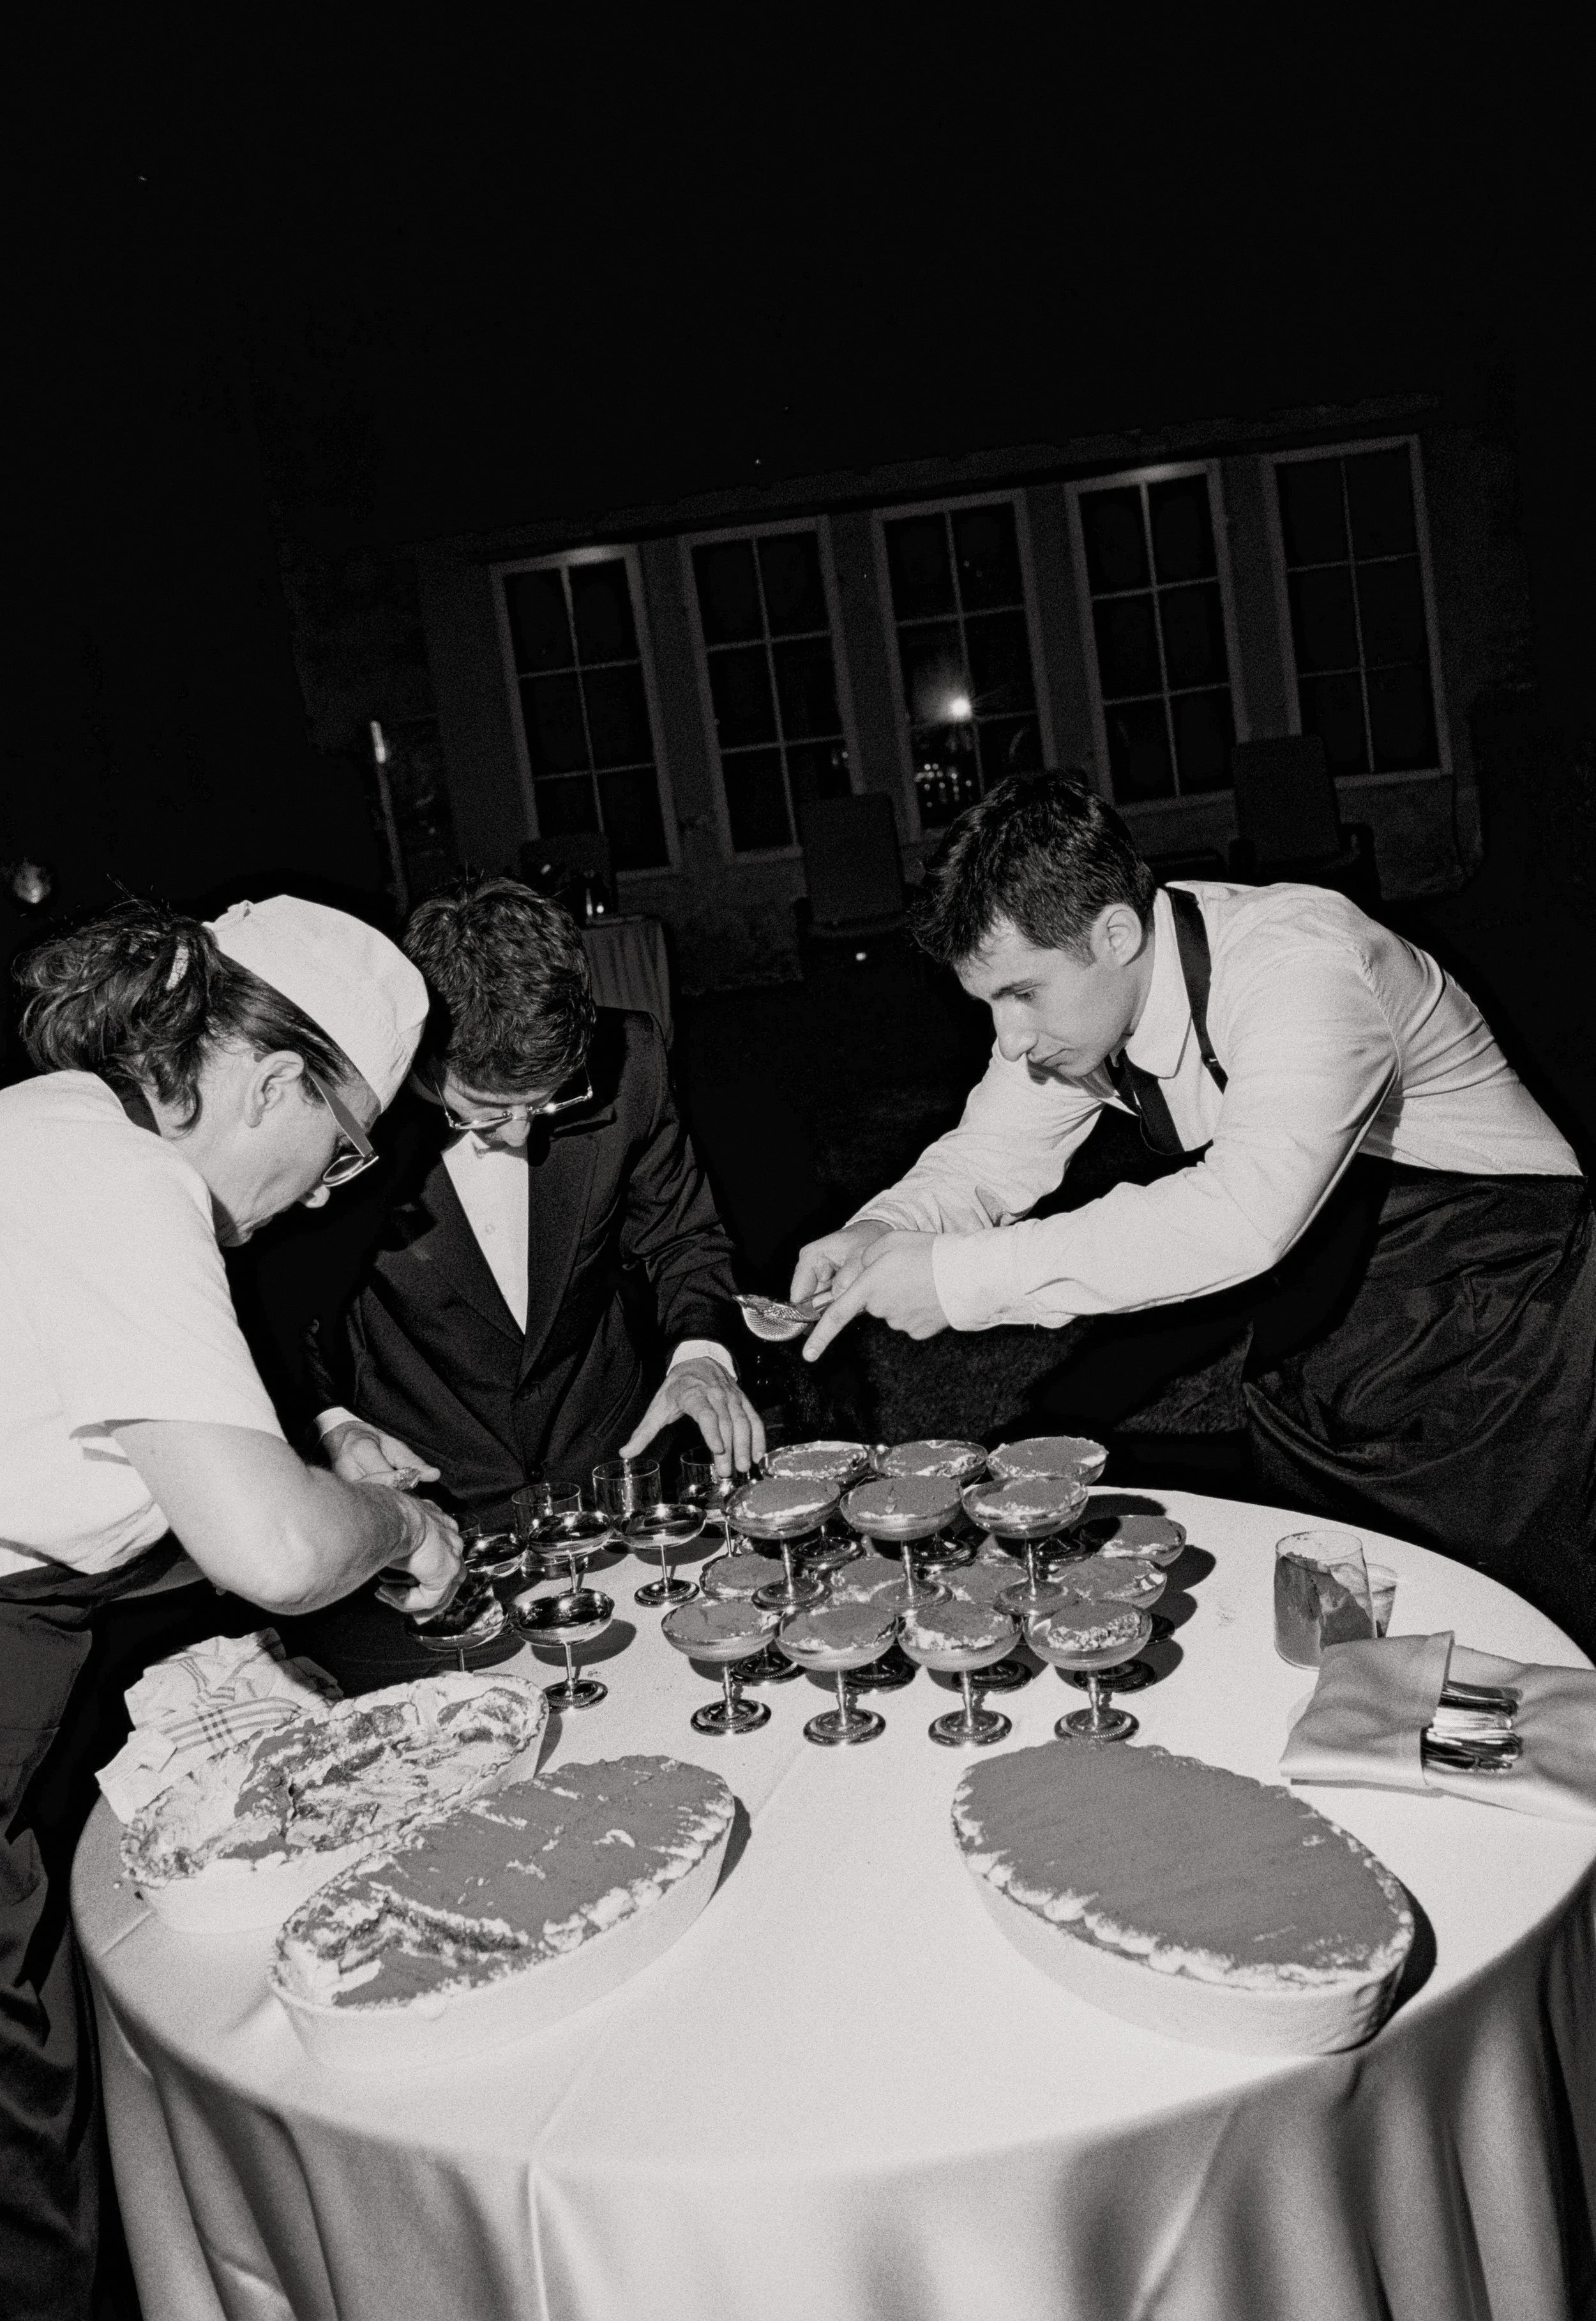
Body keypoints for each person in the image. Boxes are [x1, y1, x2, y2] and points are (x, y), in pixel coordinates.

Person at [796, 772, 1596, 1651]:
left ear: (1116, 930)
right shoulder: (1093, 999)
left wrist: (958, 1279)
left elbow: (1240, 1216)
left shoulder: (1303, 966)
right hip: (1328, 1290)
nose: (1010, 1038)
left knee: (1506, 1623)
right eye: (989, 1003)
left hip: (1498, 1286)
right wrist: (886, 1223)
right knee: (1338, 1610)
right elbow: (991, 1155)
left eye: (1022, 992)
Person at [0, 895, 463, 2321]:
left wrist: (321, 1453)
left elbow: (98, 1457)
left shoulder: (62, 1128)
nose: (326, 1194)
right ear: (271, 1079)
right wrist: (395, 1523)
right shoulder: (118, 1178)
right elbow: (263, 1546)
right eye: (336, 1154)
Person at [275, 875, 760, 1691]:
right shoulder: (346, 1114)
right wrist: (329, 1424)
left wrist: (699, 1354)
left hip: (608, 1473)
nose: (523, 1132)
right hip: (430, 1501)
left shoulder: (631, 1059)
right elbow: (282, 1305)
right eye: (486, 1108)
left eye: (550, 1098)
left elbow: (681, 1232)